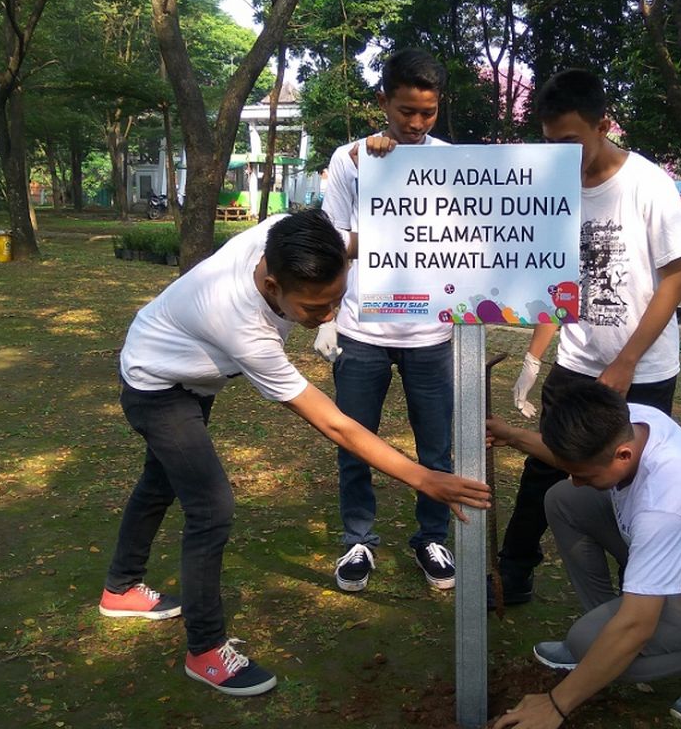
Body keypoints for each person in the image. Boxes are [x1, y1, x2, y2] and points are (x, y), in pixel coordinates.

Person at [98, 209, 491, 697]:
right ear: (270, 286)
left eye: (337, 301)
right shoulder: (241, 322)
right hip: (157, 384)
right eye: (313, 308)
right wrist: (422, 477)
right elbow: (334, 423)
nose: (328, 316)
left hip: (192, 371)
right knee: (210, 507)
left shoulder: (286, 233)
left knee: (159, 483)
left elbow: (354, 241)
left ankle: (120, 589)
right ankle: (204, 650)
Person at [494, 68, 681, 606]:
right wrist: (536, 359)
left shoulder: (648, 184)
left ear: (603, 125)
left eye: (568, 143)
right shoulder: (553, 190)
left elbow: (675, 279)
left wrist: (627, 363)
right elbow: (558, 283)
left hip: (645, 370)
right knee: (543, 469)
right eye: (548, 143)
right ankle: (513, 572)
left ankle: (646, 591)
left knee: (635, 481)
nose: (558, 155)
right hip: (578, 362)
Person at [487, 380, 681, 728]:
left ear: (623, 455)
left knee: (613, 641)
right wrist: (514, 436)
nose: (577, 479)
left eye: (585, 475)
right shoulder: (630, 421)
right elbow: (584, 463)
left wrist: (555, 705)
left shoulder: (667, 504)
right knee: (565, 499)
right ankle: (601, 639)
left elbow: (638, 625)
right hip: (680, 554)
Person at [314, 49, 459, 593]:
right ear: (383, 102)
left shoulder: (452, 163)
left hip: (432, 333)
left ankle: (432, 537)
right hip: (362, 330)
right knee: (354, 439)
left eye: (427, 113)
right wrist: (384, 174)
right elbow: (333, 241)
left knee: (436, 445)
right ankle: (358, 540)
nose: (417, 124)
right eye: (405, 112)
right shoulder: (353, 159)